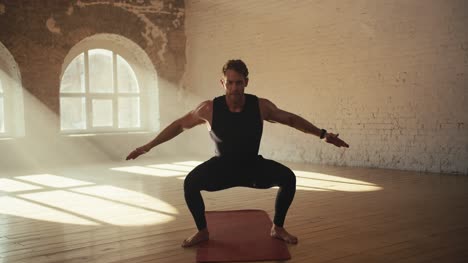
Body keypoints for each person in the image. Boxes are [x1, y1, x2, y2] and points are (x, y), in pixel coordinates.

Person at [126, 59, 349, 247]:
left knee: (288, 178)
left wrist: (322, 134)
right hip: (221, 168)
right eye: (229, 83)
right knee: (190, 183)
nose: (234, 88)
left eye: (239, 83)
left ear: (246, 83)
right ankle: (202, 231)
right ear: (222, 82)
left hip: (252, 167)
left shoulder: (261, 106)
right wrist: (148, 146)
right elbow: (178, 125)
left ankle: (278, 228)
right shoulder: (208, 108)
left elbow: (290, 119)